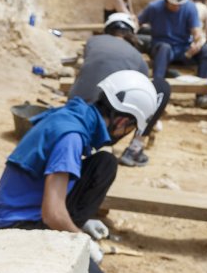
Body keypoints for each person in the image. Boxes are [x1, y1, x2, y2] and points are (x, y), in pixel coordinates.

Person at [0, 70, 160, 273]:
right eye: (129, 130)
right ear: (122, 121)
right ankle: (40, 263)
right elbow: (52, 213)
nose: (124, 135)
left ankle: (65, 237)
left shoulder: (75, 114)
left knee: (104, 163)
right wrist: (82, 240)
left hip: (32, 211)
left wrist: (80, 223)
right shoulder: (72, 137)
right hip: (18, 228)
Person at [69, 13, 171, 167]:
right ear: (131, 33)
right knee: (161, 87)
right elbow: (143, 97)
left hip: (72, 117)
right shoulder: (139, 59)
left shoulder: (92, 42)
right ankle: (134, 149)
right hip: (107, 128)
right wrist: (151, 122)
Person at [138, 0, 207, 109]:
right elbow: (137, 23)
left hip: (183, 49)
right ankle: (156, 94)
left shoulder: (190, 8)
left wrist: (198, 42)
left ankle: (203, 95)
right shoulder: (154, 7)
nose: (176, 7)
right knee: (164, 48)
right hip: (161, 49)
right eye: (173, 3)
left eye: (179, 4)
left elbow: (196, 31)